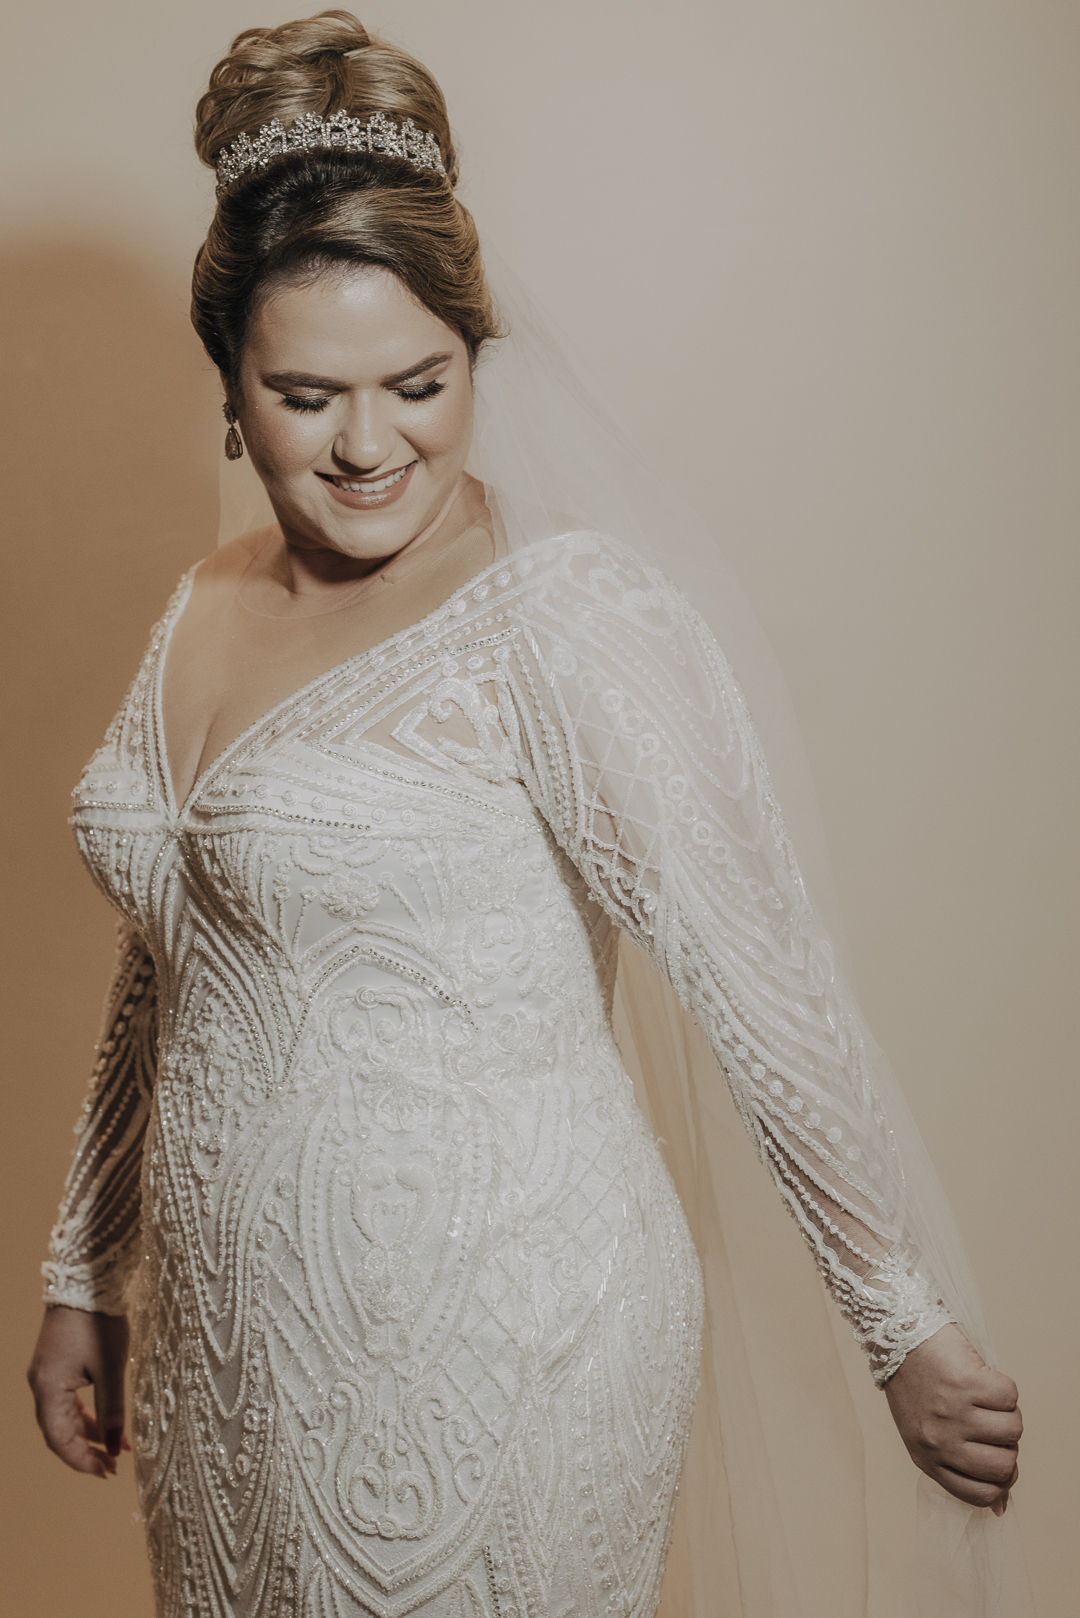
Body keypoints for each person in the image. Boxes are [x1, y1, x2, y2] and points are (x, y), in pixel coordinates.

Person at [27, 12, 1023, 1617]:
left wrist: (899, 1318)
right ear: (231, 384)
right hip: (231, 1353)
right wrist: (88, 1266)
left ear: (477, 357)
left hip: (503, 1335)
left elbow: (756, 974)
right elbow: (175, 954)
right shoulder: (201, 599)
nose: (369, 446)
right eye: (305, 394)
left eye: (418, 384)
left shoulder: (566, 616)